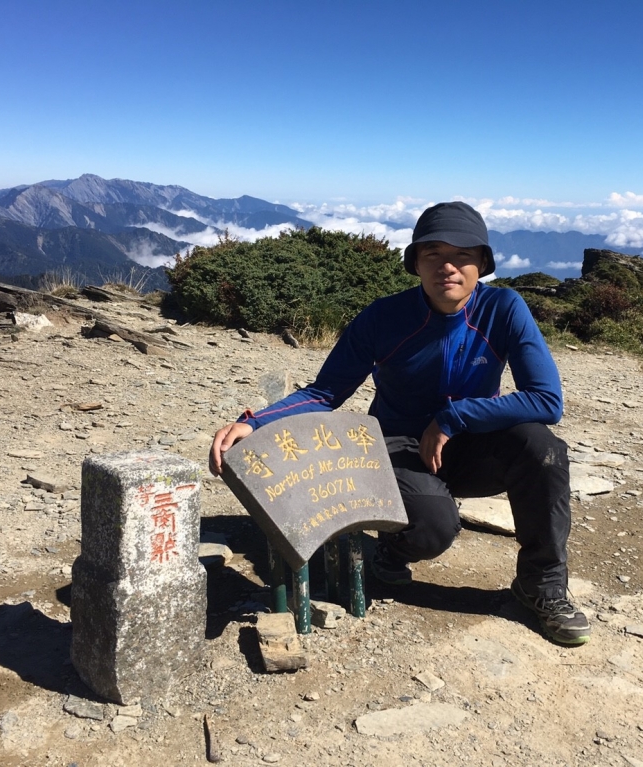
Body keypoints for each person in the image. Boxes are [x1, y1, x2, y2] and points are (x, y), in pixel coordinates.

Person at [210, 201, 590, 645]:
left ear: (482, 263)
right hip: (396, 447)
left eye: (463, 255)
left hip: (470, 442)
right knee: (433, 528)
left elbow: (547, 401)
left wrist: (455, 415)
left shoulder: (503, 307)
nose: (447, 266)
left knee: (544, 450)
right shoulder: (384, 317)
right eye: (432, 254)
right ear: (415, 263)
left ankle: (541, 584)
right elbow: (326, 392)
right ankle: (394, 545)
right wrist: (253, 422)